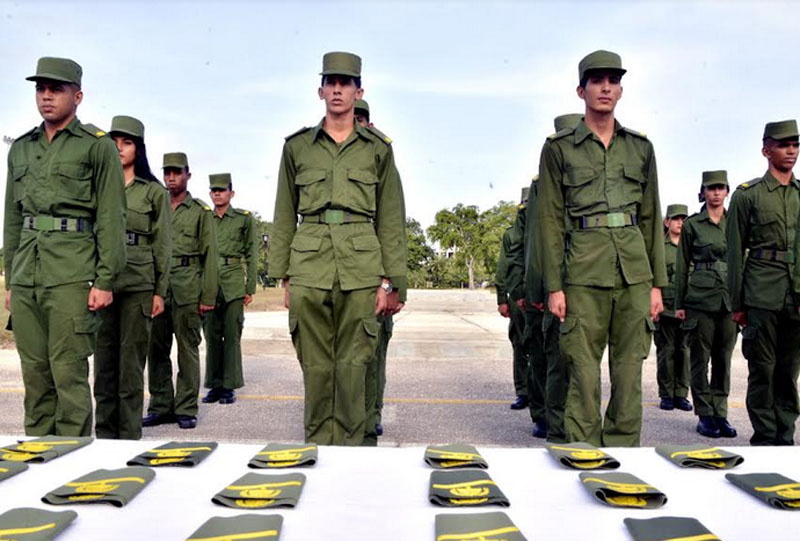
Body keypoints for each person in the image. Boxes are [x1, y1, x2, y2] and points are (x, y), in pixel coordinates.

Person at [268, 52, 407, 446]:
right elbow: (284, 211)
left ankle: (350, 460)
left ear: (358, 91)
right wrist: (284, 275)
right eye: (331, 82)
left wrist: (393, 282)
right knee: (315, 367)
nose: (338, 90)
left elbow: (391, 218)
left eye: (346, 83)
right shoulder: (297, 147)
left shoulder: (377, 149)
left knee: (354, 366)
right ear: (320, 90)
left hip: (362, 266)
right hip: (309, 264)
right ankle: (315, 451)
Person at [537, 50, 666, 447]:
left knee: (629, 373)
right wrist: (554, 286)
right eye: (597, 80)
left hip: (633, 273)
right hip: (582, 274)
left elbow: (650, 217)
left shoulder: (640, 148)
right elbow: (550, 222)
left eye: (612, 80)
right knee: (584, 373)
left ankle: (625, 460)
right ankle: (584, 456)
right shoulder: (560, 148)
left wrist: (657, 284)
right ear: (582, 90)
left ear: (621, 90)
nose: (605, 86)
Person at [3, 57, 126, 436]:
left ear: (78, 95)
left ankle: (71, 460)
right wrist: (10, 278)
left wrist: (105, 279)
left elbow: (111, 217)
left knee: (69, 372)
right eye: (41, 89)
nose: (46, 97)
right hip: (27, 272)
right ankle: (38, 457)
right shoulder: (21, 148)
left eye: (56, 89)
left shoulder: (96, 147)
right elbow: (11, 217)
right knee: (35, 374)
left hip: (72, 273)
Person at [94, 115, 171, 440]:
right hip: (104, 283)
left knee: (130, 365)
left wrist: (159, 291)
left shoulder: (154, 191)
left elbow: (163, 244)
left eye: (127, 143)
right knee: (104, 365)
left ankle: (127, 438)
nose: (119, 148)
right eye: (114, 142)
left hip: (139, 284)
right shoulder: (96, 186)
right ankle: (104, 437)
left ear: (138, 148)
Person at [728, 120, 800, 446]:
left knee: (789, 371)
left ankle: (785, 437)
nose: (792, 151)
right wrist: (737, 303)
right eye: (784, 145)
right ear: (766, 150)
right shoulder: (748, 196)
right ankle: (765, 437)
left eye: (796, 145)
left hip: (795, 295)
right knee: (762, 368)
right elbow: (734, 251)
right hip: (761, 292)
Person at [144, 152, 218, 430]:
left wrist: (208, 295)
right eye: (167, 173)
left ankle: (186, 408)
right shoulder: (155, 205)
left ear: (188, 175)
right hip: (158, 287)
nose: (171, 178)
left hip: (188, 285)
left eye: (177, 172)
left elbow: (210, 255)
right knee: (157, 349)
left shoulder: (200, 212)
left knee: (188, 349)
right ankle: (161, 405)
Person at [354, 99, 406, 443]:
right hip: (337, 276)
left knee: (373, 356)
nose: (356, 125)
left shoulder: (381, 160)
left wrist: (395, 285)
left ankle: (371, 416)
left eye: (362, 119)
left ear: (369, 124)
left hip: (375, 279)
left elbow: (394, 226)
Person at [674, 172, 737, 439]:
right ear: (703, 192)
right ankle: (705, 414)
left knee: (724, 359)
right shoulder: (693, 224)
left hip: (729, 298)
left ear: (727, 191)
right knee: (700, 359)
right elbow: (681, 264)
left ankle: (720, 412)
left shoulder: (734, 220)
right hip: (700, 297)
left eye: (720, 188)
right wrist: (679, 302)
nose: (716, 193)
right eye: (711, 188)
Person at [202, 173, 258, 406]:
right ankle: (214, 385)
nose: (217, 193)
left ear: (231, 193)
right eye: (214, 190)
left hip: (234, 282)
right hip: (209, 282)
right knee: (212, 335)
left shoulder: (244, 219)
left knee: (232, 335)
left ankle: (229, 386)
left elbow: (252, 252)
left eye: (222, 190)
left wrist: (250, 286)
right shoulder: (205, 218)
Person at [655, 204, 692, 413]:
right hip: (666, 308)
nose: (680, 222)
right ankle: (667, 394)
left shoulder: (692, 246)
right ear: (667, 222)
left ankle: (681, 394)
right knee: (666, 352)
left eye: (683, 219)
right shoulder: (660, 248)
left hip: (687, 308)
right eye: (676, 218)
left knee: (684, 352)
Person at [505, 188, 532, 413]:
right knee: (519, 345)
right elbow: (505, 267)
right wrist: (502, 298)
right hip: (517, 297)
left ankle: (538, 393)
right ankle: (522, 391)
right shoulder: (511, 234)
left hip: (540, 296)